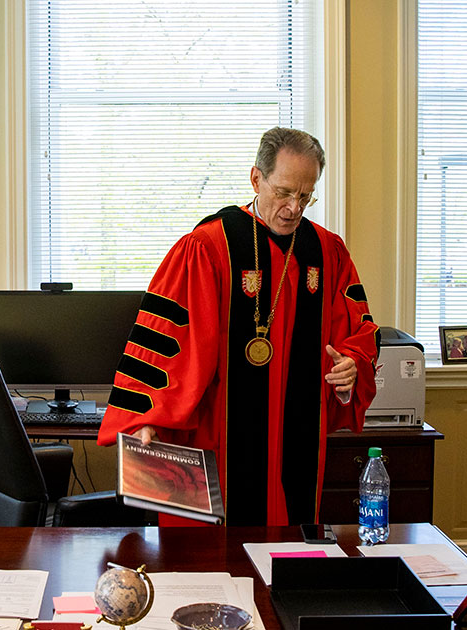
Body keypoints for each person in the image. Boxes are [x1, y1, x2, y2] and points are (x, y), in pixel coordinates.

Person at [97, 127, 379, 527]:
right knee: (210, 567)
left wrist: (352, 362)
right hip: (221, 437)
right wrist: (150, 416)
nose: (294, 207)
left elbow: (359, 330)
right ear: (256, 178)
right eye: (283, 192)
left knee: (288, 554)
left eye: (305, 195)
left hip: (296, 441)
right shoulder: (209, 247)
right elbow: (167, 342)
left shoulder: (327, 251)